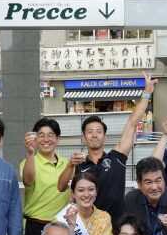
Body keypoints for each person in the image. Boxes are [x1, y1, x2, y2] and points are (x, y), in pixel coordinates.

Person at [55, 71, 152, 220]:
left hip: (117, 227)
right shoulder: (78, 165)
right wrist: (70, 165)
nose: (94, 135)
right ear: (84, 138)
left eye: (99, 131)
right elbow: (61, 187)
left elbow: (132, 123)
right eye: (90, 132)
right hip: (89, 227)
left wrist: (147, 92)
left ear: (105, 137)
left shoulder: (116, 158)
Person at [20, 117, 70, 235]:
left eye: (51, 135)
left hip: (61, 227)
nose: (46, 139)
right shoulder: (28, 161)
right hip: (35, 227)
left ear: (58, 139)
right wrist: (30, 153)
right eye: (41, 135)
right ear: (35, 139)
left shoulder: (68, 164)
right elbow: (28, 181)